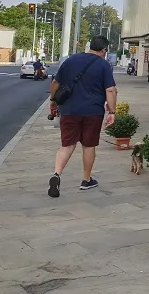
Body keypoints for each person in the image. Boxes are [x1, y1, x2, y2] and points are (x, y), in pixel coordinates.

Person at [48, 35, 116, 197]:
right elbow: (110, 90)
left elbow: (55, 83)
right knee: (88, 145)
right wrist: (112, 112)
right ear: (104, 50)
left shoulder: (71, 60)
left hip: (69, 110)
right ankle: (86, 180)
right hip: (93, 112)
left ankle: (56, 174)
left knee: (67, 145)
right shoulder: (104, 65)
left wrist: (53, 101)